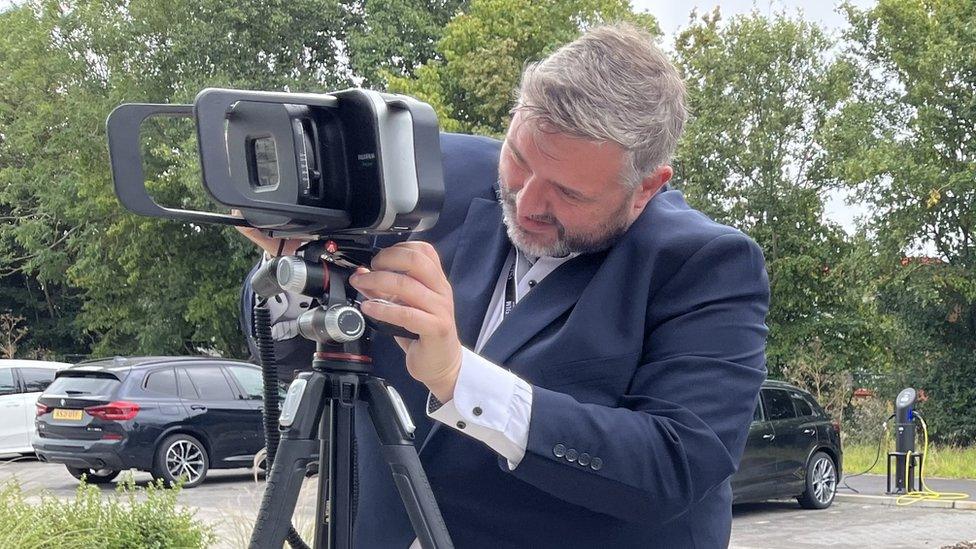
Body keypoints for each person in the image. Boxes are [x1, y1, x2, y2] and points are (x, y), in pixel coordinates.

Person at [238, 22, 769, 548]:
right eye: (519, 159)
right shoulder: (429, 178)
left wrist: (457, 378)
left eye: (569, 193)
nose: (528, 203)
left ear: (646, 188)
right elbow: (295, 342)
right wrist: (293, 265)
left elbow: (673, 465)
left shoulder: (707, 264)